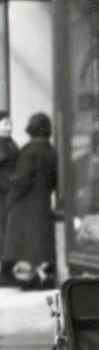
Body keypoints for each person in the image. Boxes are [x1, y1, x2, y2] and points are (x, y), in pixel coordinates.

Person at [3, 112, 59, 291]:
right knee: (37, 247)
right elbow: (53, 180)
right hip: (42, 203)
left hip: (25, 205)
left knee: (24, 248)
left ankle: (29, 280)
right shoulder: (51, 151)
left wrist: (12, 194)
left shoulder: (29, 151)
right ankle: (42, 277)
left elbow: (22, 179)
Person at [0, 112, 19, 284]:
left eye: (10, 124)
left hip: (9, 193)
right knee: (5, 232)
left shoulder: (9, 143)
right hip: (4, 193)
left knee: (8, 232)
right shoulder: (5, 144)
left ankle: (7, 270)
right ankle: (6, 271)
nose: (8, 127)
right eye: (5, 124)